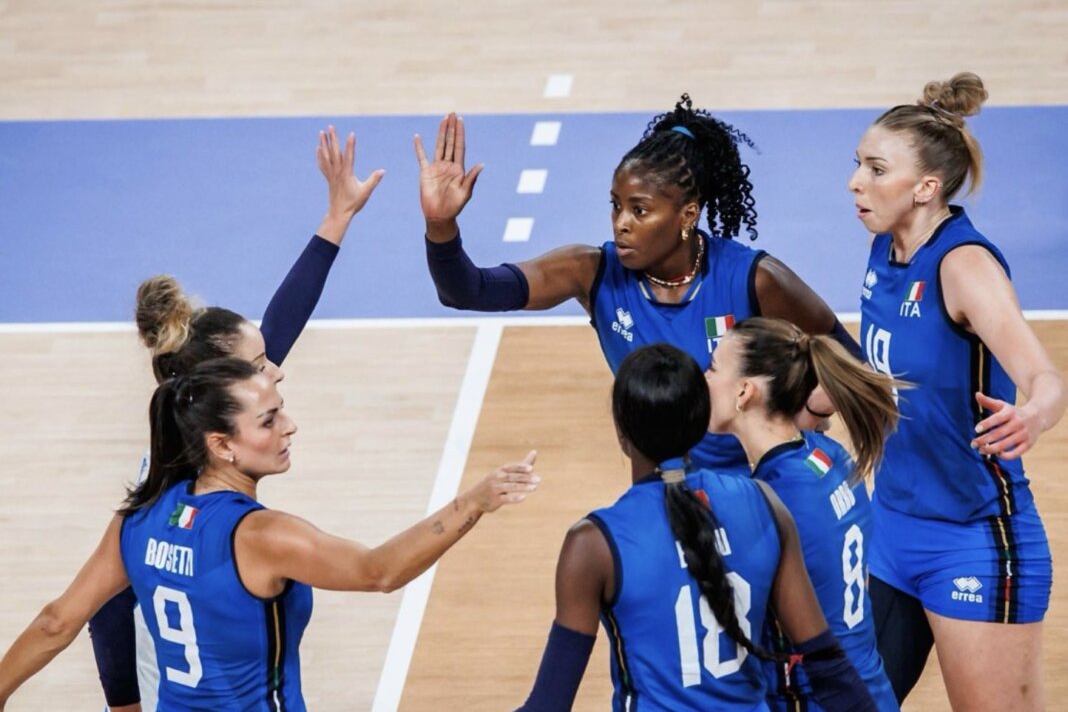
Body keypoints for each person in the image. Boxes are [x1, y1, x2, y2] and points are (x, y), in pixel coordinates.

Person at [0, 358, 540, 710]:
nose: (289, 426)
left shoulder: (137, 515)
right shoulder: (260, 536)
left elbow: (56, 622)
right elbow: (379, 572)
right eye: (269, 420)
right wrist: (473, 502)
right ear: (222, 445)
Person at [88, 125, 385, 712]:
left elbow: (279, 324)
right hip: (177, 690)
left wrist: (336, 219)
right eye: (258, 364)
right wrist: (124, 705)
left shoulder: (195, 434)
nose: (275, 368)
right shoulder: (173, 480)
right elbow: (103, 604)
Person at [415, 96, 858, 472]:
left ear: (687, 215)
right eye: (616, 206)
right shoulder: (590, 271)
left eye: (640, 211)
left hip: (762, 494)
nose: (621, 224)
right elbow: (467, 291)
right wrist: (440, 225)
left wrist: (816, 406)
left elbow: (849, 360)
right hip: (666, 502)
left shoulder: (753, 279)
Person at [851, 72, 1066, 710]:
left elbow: (1045, 377)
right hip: (889, 528)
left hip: (971, 539)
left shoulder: (963, 265)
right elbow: (886, 375)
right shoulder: (884, 252)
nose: (855, 182)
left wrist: (1034, 413)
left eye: (874, 168)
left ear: (926, 187)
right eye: (857, 164)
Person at [514, 344, 876, 712]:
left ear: (622, 432)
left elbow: (548, 704)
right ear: (701, 418)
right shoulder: (765, 503)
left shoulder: (592, 545)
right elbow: (829, 667)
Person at [703, 316, 900, 711]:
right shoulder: (830, 455)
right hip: (867, 686)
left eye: (713, 368)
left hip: (818, 696)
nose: (703, 379)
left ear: (744, 391)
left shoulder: (771, 498)